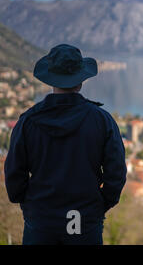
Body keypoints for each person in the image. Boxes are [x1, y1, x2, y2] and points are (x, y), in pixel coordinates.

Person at [4, 44, 127, 245]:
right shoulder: (102, 121)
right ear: (80, 81)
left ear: (50, 79)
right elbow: (117, 172)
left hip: (41, 222)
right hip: (84, 223)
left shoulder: (28, 122)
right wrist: (99, 205)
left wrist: (31, 205)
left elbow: (14, 177)